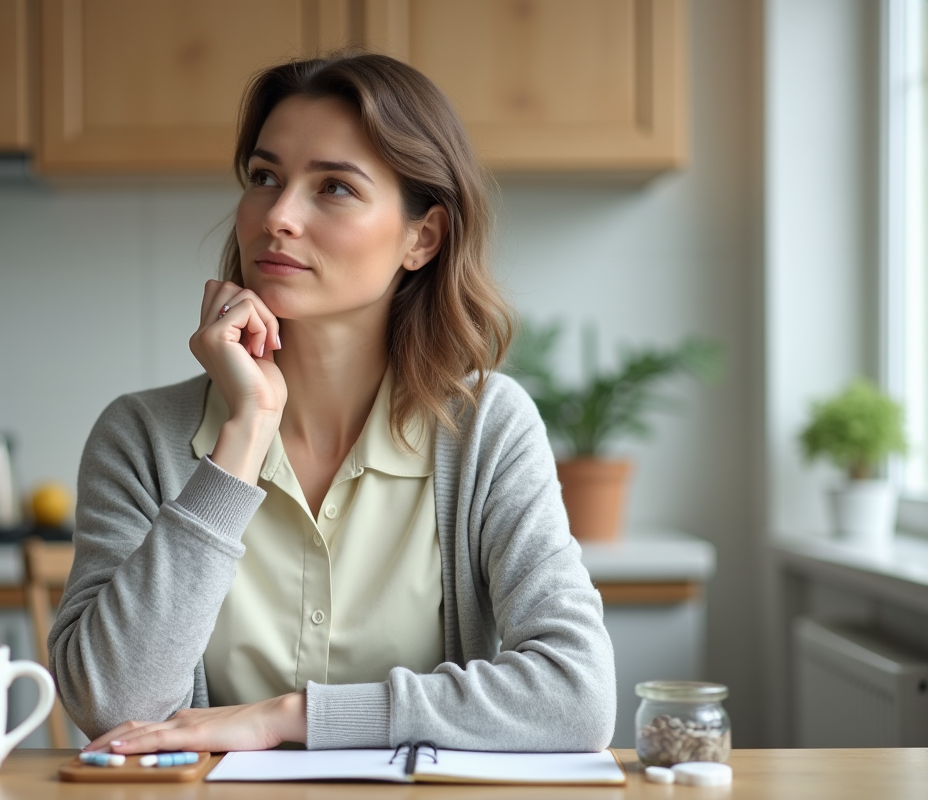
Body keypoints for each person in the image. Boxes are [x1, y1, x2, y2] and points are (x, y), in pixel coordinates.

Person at [50, 52, 616, 756]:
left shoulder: (485, 431)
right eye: (265, 178)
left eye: (335, 188)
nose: (278, 217)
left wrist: (289, 716)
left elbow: (576, 697)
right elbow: (112, 706)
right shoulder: (141, 436)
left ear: (422, 237)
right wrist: (245, 433)